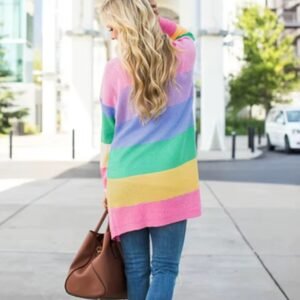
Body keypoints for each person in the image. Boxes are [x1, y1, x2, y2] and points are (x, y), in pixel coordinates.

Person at [98, 0, 202, 299]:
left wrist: (107, 187)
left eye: (113, 28)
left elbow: (108, 137)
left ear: (126, 25)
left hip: (126, 183)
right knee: (166, 268)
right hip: (172, 184)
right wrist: (153, 19)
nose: (113, 36)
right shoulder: (182, 56)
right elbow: (185, 34)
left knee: (135, 269)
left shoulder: (113, 71)